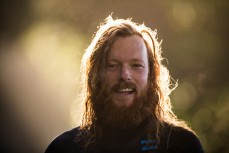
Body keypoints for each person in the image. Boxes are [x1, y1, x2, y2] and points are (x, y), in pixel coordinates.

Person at [45, 16, 204, 153]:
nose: (125, 75)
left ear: (151, 76)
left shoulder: (182, 146)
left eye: (136, 65)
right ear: (95, 75)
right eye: (113, 65)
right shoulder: (64, 149)